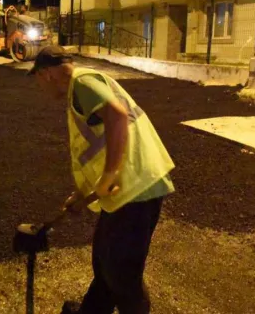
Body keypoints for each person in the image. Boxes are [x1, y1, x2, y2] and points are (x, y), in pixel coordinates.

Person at [28, 47, 175, 314]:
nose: (40, 87)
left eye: (37, 79)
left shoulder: (81, 82)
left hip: (136, 185)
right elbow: (98, 145)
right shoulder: (81, 89)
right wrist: (81, 194)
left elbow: (117, 116)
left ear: (47, 73)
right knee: (105, 262)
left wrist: (107, 178)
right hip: (125, 189)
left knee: (122, 273)